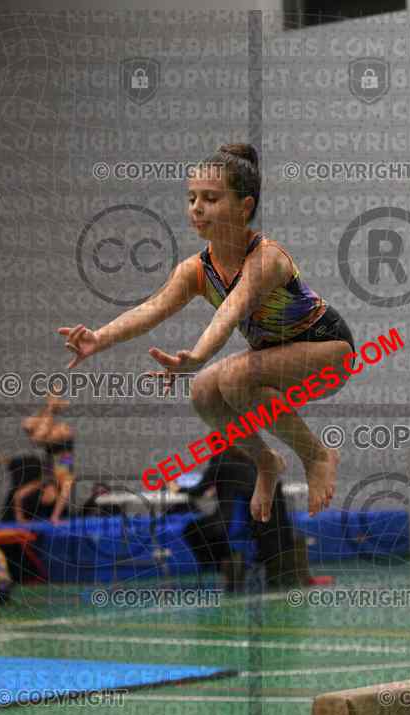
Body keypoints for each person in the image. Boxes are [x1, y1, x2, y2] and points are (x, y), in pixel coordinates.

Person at [58, 143, 356, 523]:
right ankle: (265, 462)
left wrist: (197, 356)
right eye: (192, 198)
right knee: (203, 392)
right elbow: (152, 309)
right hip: (274, 358)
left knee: (232, 378)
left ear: (244, 207)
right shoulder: (197, 270)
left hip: (328, 350)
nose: (196, 208)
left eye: (211, 199)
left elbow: (229, 313)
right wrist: (100, 338)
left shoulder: (266, 258)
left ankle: (316, 455)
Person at [178, 446, 296, 592]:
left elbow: (198, 490)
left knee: (191, 529)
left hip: (229, 524)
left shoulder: (220, 460)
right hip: (255, 524)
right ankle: (230, 566)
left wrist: (178, 489)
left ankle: (219, 566)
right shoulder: (254, 461)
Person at [21, 390, 75, 524]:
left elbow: (18, 496)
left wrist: (20, 519)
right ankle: (52, 405)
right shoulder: (58, 481)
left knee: (32, 431)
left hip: (57, 455)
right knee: (35, 434)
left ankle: (52, 406)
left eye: (44, 496)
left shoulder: (45, 480)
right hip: (61, 455)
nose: (46, 496)